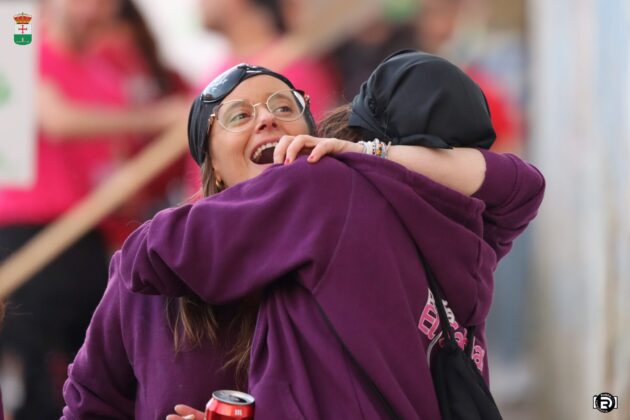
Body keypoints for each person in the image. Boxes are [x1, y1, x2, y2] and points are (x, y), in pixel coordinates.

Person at [63, 52, 544, 419]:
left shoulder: (349, 213)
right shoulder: (150, 274)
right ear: (213, 168)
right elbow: (90, 405)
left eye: (284, 106)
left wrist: (369, 156)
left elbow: (520, 184)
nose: (266, 118)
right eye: (238, 116)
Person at [0, 0, 188, 417]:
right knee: (34, 380)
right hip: (28, 237)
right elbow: (56, 119)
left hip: (87, 241)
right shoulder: (17, 45)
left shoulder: (111, 72)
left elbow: (116, 167)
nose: (93, 11)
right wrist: (157, 117)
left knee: (81, 376)